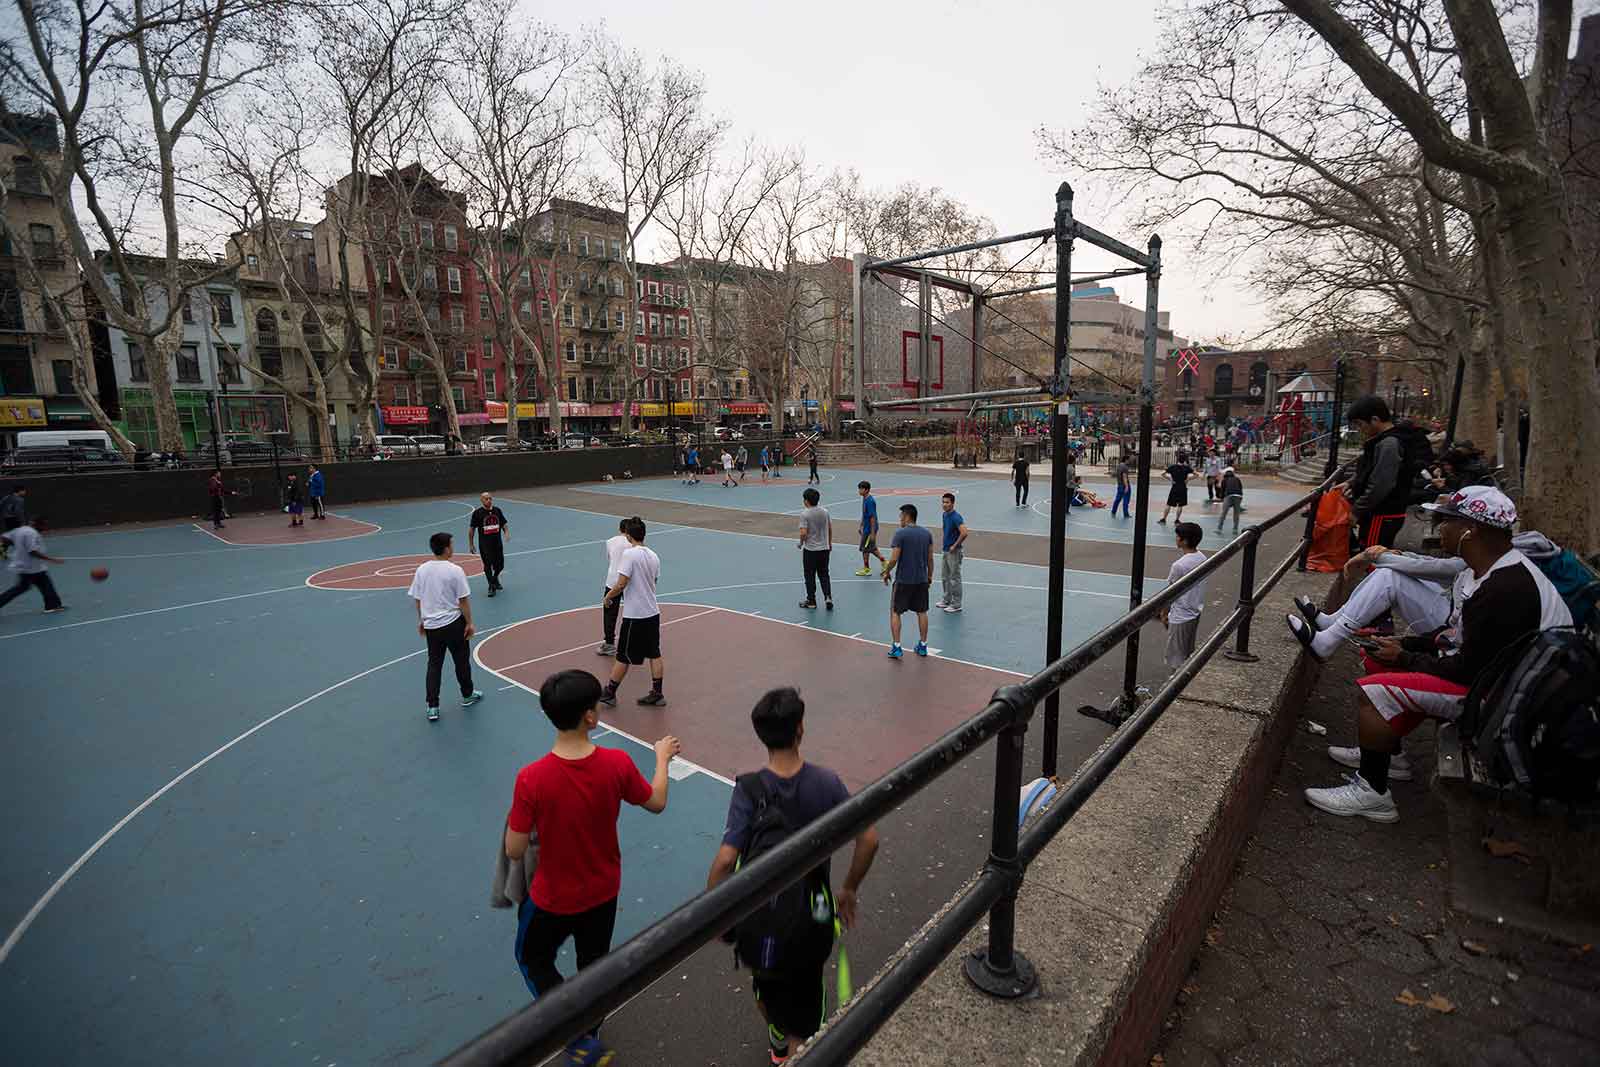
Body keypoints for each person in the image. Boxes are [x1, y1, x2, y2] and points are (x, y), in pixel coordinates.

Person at [1299, 487, 1571, 823]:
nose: (1439, 528)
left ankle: (1373, 793)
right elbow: (1455, 637)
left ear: (1471, 530)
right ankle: (1392, 755)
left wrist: (1405, 658)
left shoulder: (1506, 588)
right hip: (1494, 679)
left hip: (1499, 700)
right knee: (1376, 660)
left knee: (1375, 691)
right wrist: (1408, 646)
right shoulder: (1481, 570)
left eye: (1448, 522)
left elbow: (1468, 670)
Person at [505, 668, 681, 1067]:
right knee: (595, 969)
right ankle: (590, 1032)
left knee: (531, 958)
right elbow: (656, 801)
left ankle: (575, 1035)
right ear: (589, 717)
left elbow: (515, 850)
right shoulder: (616, 764)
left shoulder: (531, 779)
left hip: (552, 897)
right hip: (602, 891)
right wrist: (661, 759)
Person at [705, 687, 879, 1065]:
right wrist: (848, 888)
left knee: (765, 985)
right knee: (808, 983)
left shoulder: (749, 790)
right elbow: (868, 839)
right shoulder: (827, 783)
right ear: (801, 729)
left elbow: (724, 860)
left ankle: (780, 1037)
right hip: (811, 912)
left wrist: (716, 914)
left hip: (760, 916)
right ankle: (803, 1044)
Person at [407, 532, 483, 722]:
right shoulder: (455, 570)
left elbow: (418, 599)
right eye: (452, 544)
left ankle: (432, 706)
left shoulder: (422, 570)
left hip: (432, 626)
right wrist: (470, 623)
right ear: (447, 548)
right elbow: (463, 601)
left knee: (434, 664)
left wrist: (422, 620)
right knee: (461, 660)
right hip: (452, 623)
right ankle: (467, 694)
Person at [1344, 395, 1432, 550]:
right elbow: (1371, 470)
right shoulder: (1387, 440)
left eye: (1360, 424)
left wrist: (1357, 510)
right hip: (1383, 513)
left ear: (1375, 420)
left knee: (1372, 556)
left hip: (1382, 514)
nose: (1359, 429)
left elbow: (1381, 483)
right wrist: (1351, 482)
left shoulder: (1389, 444)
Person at [600, 516, 665, 706]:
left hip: (635, 615)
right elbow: (654, 582)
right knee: (654, 653)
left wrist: (609, 596)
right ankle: (657, 693)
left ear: (628, 536)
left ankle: (610, 692)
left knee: (623, 655)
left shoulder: (629, 555)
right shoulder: (654, 555)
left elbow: (621, 583)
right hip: (652, 612)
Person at [882, 503, 934, 659]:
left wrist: (886, 571)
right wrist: (929, 576)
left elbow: (894, 558)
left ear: (906, 516)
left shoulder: (900, 534)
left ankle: (897, 646)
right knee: (922, 612)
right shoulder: (927, 534)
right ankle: (923, 645)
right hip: (921, 580)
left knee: (895, 612)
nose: (899, 519)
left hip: (904, 580)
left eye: (900, 516)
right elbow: (930, 559)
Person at [1160, 522, 1207, 672]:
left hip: (1181, 614)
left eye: (1177, 537)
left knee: (1176, 658)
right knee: (1187, 651)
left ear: (1184, 541)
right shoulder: (1202, 557)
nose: (1176, 539)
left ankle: (1174, 690)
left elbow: (1170, 593)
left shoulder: (1179, 566)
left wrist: (1164, 613)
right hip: (1194, 610)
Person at [0, 519, 66, 614]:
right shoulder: (31, 533)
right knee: (44, 584)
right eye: (44, 526)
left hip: (25, 565)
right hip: (32, 567)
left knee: (23, 587)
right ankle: (52, 606)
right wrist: (51, 559)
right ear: (39, 525)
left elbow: (4, 537)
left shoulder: (20, 530)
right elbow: (32, 551)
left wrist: (17, 545)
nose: (45, 528)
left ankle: (53, 605)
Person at [594, 519, 630, 657]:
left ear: (620, 529)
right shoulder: (632, 543)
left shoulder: (609, 542)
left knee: (609, 613)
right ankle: (632, 641)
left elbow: (610, 559)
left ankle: (609, 643)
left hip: (612, 580)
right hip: (628, 581)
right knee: (631, 611)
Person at [797, 488, 834, 611]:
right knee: (824, 574)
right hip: (824, 549)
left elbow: (803, 532)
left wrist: (801, 543)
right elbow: (829, 528)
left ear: (806, 501)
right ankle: (828, 597)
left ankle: (811, 600)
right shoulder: (825, 512)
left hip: (811, 550)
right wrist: (829, 543)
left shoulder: (805, 514)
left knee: (809, 575)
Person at [469, 491, 511, 596]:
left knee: (500, 565)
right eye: (486, 499)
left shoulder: (497, 510)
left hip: (497, 543)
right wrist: (471, 544)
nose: (489, 500)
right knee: (487, 565)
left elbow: (504, 524)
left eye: (490, 498)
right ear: (481, 500)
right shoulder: (477, 513)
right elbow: (472, 529)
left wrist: (506, 533)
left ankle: (495, 578)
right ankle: (491, 586)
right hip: (485, 544)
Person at [936, 492, 968, 614]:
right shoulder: (944, 515)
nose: (944, 504)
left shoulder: (956, 517)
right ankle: (947, 599)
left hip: (954, 552)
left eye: (947, 502)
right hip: (946, 550)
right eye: (943, 502)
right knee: (945, 577)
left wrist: (954, 545)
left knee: (954, 578)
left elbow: (964, 532)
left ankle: (956, 604)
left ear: (953, 503)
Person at [853, 481, 886, 576]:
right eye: (859, 488)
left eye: (861, 489)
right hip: (866, 528)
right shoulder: (864, 498)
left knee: (865, 548)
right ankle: (884, 562)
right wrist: (861, 525)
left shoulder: (870, 501)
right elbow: (864, 514)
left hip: (870, 529)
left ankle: (867, 569)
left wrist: (872, 533)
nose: (859, 490)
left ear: (866, 490)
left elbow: (872, 518)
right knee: (871, 548)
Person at [1158, 452, 1194, 525]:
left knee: (1169, 504)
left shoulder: (1172, 467)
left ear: (1177, 459)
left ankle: (1163, 519)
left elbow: (1163, 474)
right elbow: (1196, 475)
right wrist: (1188, 479)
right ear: (1184, 460)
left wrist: (1171, 479)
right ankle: (1177, 520)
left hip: (1174, 487)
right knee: (1180, 505)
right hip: (1183, 487)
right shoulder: (1187, 468)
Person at [1215, 467, 1244, 535]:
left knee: (1224, 513)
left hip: (1229, 496)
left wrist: (1221, 498)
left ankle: (1219, 528)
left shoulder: (1225, 480)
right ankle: (1235, 529)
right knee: (1236, 514)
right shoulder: (1237, 479)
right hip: (1239, 496)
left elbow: (1222, 490)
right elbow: (1240, 487)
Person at [1111, 454, 1132, 519]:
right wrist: (1126, 486)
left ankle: (1113, 511)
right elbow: (1124, 476)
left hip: (1119, 485)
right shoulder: (1125, 467)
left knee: (1117, 499)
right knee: (1126, 500)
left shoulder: (1119, 466)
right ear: (1126, 460)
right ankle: (1126, 514)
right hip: (1124, 485)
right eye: (1129, 460)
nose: (1130, 461)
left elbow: (1114, 474)